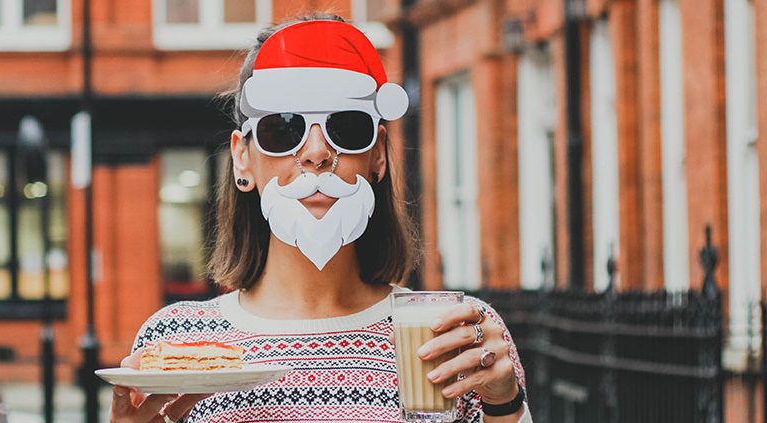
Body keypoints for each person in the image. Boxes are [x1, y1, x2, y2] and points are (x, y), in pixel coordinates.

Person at [110, 14, 531, 423]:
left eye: (346, 129)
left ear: (378, 154)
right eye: (283, 130)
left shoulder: (457, 337)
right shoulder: (176, 342)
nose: (316, 154)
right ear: (242, 157)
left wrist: (503, 406)